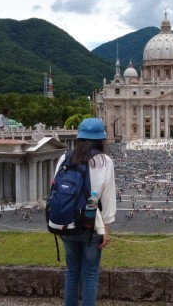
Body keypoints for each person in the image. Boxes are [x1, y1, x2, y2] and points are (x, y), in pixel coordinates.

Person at [55, 118, 116, 306]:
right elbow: (107, 199)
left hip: (67, 222)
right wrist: (105, 228)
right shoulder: (104, 161)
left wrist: (58, 224)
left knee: (72, 272)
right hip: (91, 224)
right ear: (100, 140)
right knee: (90, 275)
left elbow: (55, 191)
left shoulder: (64, 158)